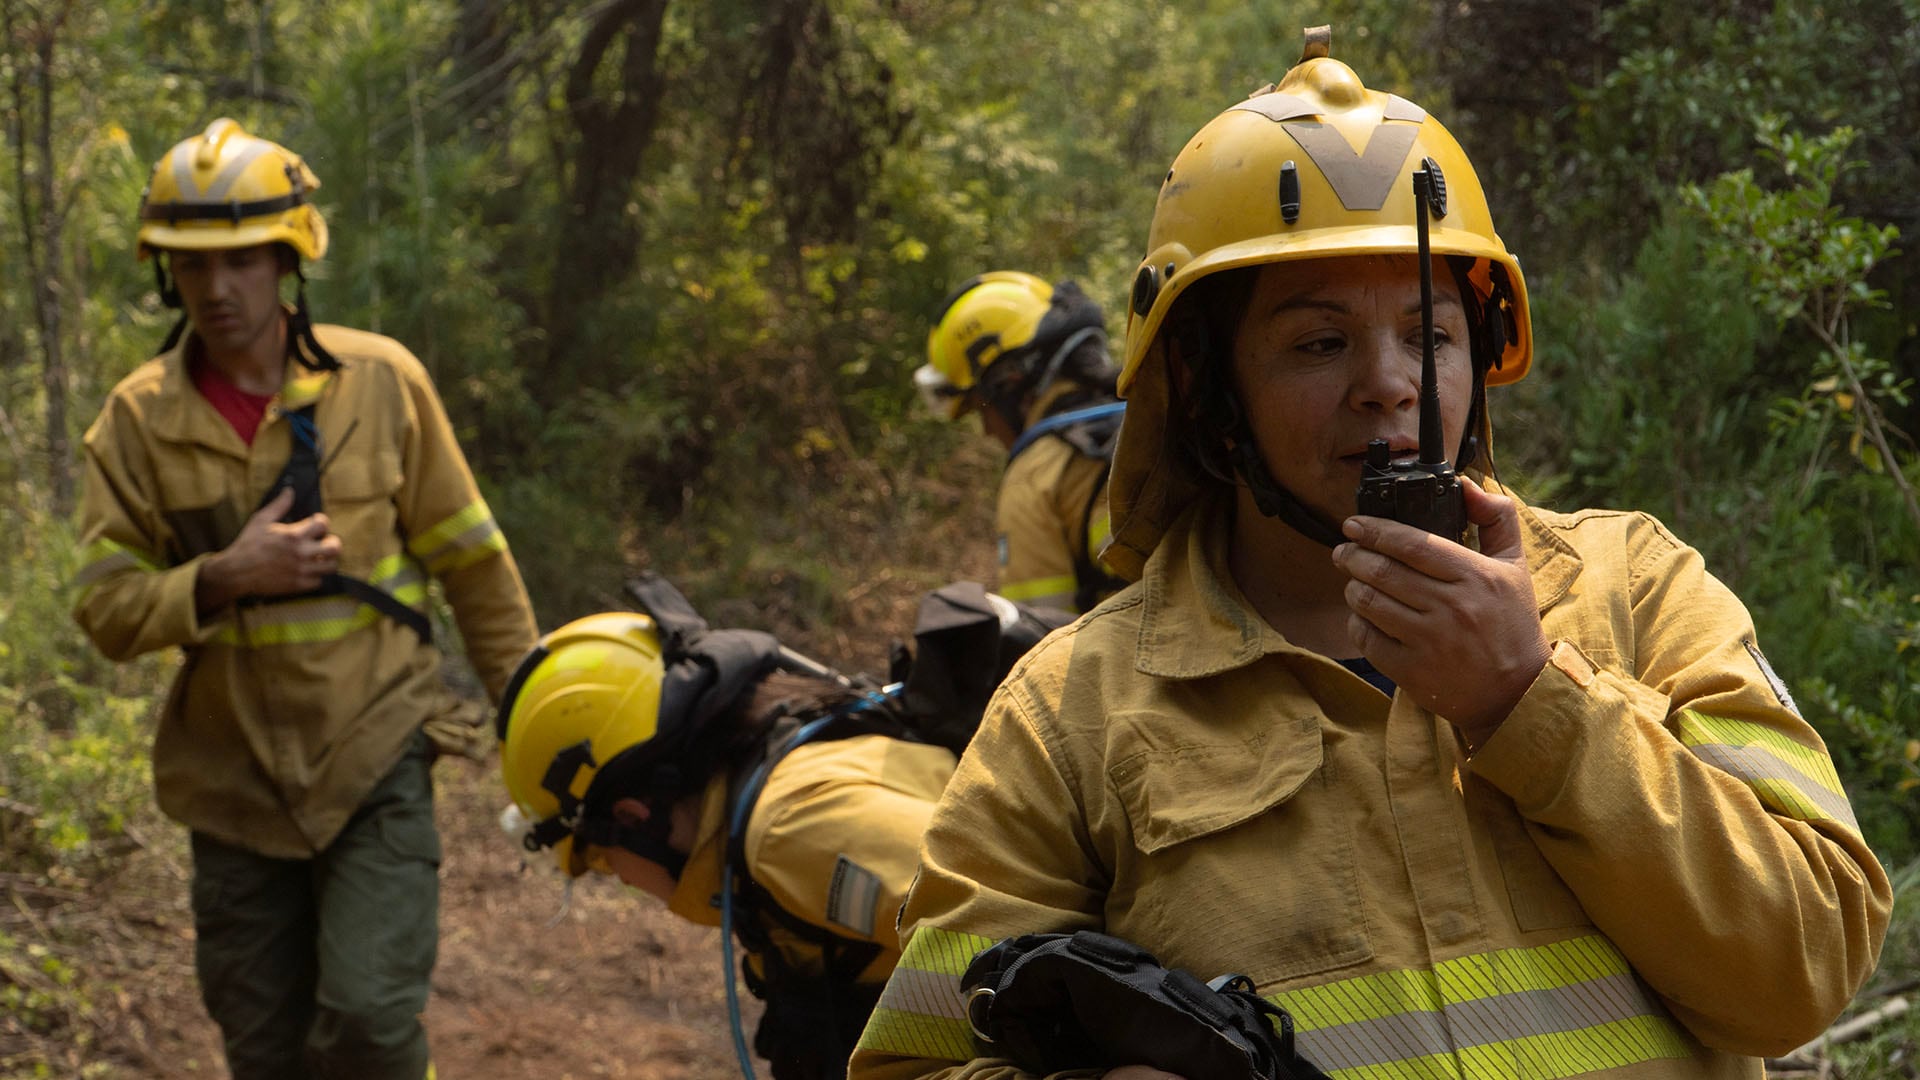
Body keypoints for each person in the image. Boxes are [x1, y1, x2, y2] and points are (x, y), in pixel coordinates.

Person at [852, 28, 1892, 1080]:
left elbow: (1805, 973)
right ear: (1211, 395)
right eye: (1317, 341)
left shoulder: (1640, 589)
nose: (1388, 384)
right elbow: (919, 1061)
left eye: (1429, 334)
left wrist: (1530, 704)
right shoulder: (1070, 712)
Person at [71, 118, 539, 1080]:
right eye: (192, 266)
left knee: (368, 1019)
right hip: (230, 782)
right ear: (166, 275)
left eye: (242, 260)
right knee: (266, 1049)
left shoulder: (380, 383)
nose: (217, 288)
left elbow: (473, 563)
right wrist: (221, 577)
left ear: (288, 260)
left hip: (375, 755)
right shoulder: (135, 423)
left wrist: (536, 731)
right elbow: (106, 609)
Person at [496, 575, 975, 1080]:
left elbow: (1024, 943)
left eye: (603, 863)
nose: (624, 879)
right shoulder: (759, 830)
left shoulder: (788, 831)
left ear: (633, 818)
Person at [916, 271, 1126, 613]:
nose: (986, 430)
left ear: (1008, 384)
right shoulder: (1150, 420)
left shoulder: (1036, 475)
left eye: (979, 408)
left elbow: (1036, 643)